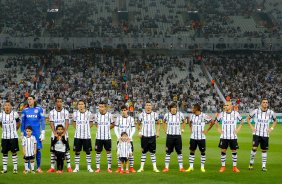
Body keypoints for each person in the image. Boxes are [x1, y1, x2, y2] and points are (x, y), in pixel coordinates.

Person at [247, 98, 277, 172]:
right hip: (256, 134)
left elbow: (275, 121)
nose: (265, 103)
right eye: (264, 102)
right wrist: (251, 127)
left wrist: (271, 128)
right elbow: (248, 118)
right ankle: (251, 163)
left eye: (266, 102)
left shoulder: (271, 112)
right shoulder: (256, 111)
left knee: (264, 150)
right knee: (254, 148)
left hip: (265, 135)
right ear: (261, 103)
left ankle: (263, 166)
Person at [215, 101, 243, 173]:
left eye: (227, 105)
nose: (225, 106)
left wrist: (238, 129)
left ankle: (234, 167)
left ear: (231, 106)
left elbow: (242, 121)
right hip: (224, 136)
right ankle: (223, 167)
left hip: (233, 137)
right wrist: (218, 129)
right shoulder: (222, 114)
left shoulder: (236, 113)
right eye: (225, 105)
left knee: (234, 151)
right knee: (223, 151)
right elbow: (216, 122)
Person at [186, 104, 214, 173]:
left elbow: (212, 121)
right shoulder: (192, 116)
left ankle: (202, 167)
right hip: (193, 137)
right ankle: (191, 167)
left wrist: (207, 130)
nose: (192, 110)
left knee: (202, 152)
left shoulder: (204, 115)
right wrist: (191, 129)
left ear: (196, 109)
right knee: (192, 151)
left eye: (193, 108)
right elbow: (190, 122)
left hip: (201, 138)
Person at [47, 97, 72, 173]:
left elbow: (67, 122)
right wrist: (55, 133)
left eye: (60, 101)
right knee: (53, 151)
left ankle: (69, 167)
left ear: (62, 102)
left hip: (65, 135)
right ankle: (52, 167)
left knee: (66, 150)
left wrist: (64, 133)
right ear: (55, 103)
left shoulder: (66, 112)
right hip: (54, 135)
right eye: (57, 101)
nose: (59, 103)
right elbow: (51, 123)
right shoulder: (51, 112)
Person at [21, 96, 45, 173]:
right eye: (28, 99)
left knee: (37, 150)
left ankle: (38, 167)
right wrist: (22, 133)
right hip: (27, 134)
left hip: (37, 133)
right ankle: (27, 168)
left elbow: (42, 121)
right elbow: (23, 122)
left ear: (34, 100)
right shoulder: (25, 110)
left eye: (30, 99)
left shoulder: (39, 109)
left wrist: (43, 132)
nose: (29, 100)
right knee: (28, 150)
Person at [137, 101, 160, 173]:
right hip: (144, 136)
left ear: (151, 106)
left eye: (149, 105)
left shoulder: (155, 114)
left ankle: (155, 168)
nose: (148, 106)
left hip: (152, 136)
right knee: (143, 152)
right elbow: (138, 124)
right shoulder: (141, 115)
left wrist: (158, 131)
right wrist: (140, 132)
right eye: (147, 105)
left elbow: (158, 123)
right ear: (145, 106)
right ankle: (141, 168)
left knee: (152, 153)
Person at [162, 102, 186, 172]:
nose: (174, 109)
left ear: (176, 108)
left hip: (178, 136)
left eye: (175, 107)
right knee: (168, 152)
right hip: (169, 136)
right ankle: (166, 167)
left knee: (179, 152)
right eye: (172, 107)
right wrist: (165, 130)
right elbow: (163, 122)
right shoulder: (167, 115)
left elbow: (184, 121)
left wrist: (183, 129)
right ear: (170, 109)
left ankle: (181, 168)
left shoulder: (180, 114)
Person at [72, 100, 94, 172]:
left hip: (87, 136)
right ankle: (77, 167)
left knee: (88, 152)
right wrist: (78, 129)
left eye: (82, 104)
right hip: (77, 136)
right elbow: (74, 123)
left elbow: (91, 123)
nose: (81, 105)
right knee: (77, 152)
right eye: (79, 104)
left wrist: (86, 129)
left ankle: (89, 167)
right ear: (77, 105)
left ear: (85, 105)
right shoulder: (75, 114)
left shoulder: (89, 113)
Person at [94, 101, 115, 173]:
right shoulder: (96, 115)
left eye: (102, 106)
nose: (101, 108)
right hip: (98, 137)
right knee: (98, 152)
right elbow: (96, 124)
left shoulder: (110, 115)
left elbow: (113, 124)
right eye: (99, 107)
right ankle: (98, 168)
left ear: (105, 107)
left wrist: (107, 128)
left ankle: (109, 168)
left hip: (107, 137)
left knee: (108, 152)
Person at [0, 101, 20, 174]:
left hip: (13, 136)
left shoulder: (15, 114)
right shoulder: (1, 115)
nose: (7, 107)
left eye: (8, 105)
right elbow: (0, 123)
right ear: (4, 107)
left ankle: (15, 168)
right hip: (4, 137)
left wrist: (15, 130)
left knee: (14, 152)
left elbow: (18, 122)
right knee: (4, 153)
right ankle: (5, 169)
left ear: (11, 106)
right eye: (6, 105)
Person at [114, 105, 136, 173]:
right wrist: (118, 137)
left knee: (130, 154)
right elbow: (115, 128)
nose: (123, 111)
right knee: (119, 154)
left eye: (125, 110)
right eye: (122, 110)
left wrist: (130, 137)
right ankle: (119, 168)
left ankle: (131, 168)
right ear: (121, 111)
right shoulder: (118, 119)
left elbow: (133, 128)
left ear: (127, 110)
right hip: (120, 140)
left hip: (129, 140)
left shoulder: (131, 119)